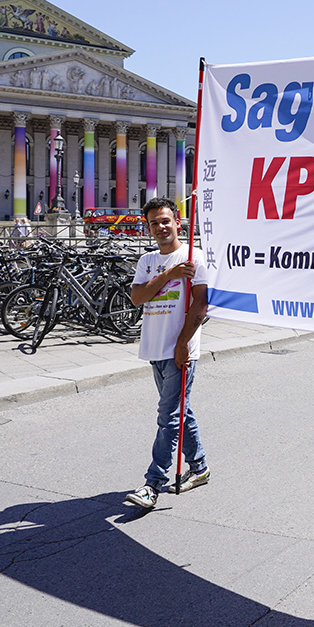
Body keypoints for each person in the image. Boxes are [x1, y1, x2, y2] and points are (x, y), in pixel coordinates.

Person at [125, 197, 210, 510]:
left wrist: (183, 343)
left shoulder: (194, 256)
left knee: (168, 417)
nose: (161, 227)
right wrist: (169, 275)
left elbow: (201, 304)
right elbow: (137, 297)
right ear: (148, 228)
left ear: (177, 222)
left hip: (180, 349)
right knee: (179, 412)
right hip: (154, 347)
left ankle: (153, 484)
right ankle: (199, 467)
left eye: (165, 221)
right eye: (154, 223)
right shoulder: (147, 261)